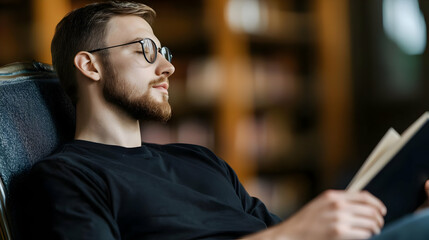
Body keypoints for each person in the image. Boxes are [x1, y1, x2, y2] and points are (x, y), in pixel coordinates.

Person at [20, 1, 429, 240]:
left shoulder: (200, 160)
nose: (167, 67)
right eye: (145, 50)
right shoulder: (64, 177)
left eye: (165, 52)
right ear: (89, 65)